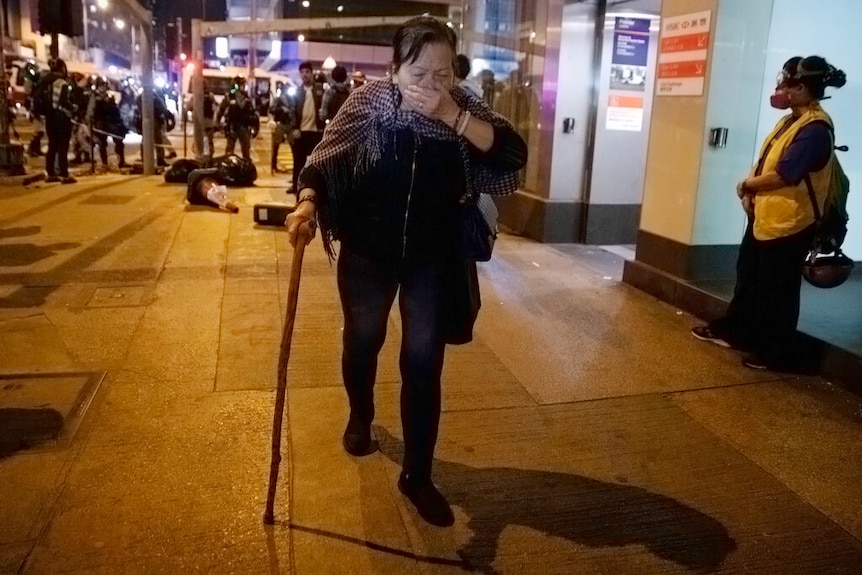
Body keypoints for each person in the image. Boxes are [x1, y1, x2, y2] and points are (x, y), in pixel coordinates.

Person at [285, 16, 527, 527]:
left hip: (432, 257)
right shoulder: (368, 102)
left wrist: (452, 115)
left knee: (423, 362)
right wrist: (308, 204)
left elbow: (511, 156)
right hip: (369, 251)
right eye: (419, 73)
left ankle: (418, 474)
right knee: (363, 339)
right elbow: (322, 160)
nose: (431, 85)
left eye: (443, 74)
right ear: (394, 69)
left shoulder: (464, 109)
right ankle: (361, 415)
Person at [691, 55, 846, 372]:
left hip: (790, 224)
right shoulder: (792, 120)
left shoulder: (815, 129)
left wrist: (746, 184)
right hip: (766, 220)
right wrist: (751, 194)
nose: (780, 89)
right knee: (750, 280)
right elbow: (769, 162)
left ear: (802, 87)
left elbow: (785, 174)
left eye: (786, 84)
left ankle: (776, 352)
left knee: (777, 291)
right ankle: (739, 333)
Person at [286, 61, 324, 194]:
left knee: (317, 161)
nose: (305, 75)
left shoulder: (319, 90)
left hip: (316, 132)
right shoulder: (297, 91)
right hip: (301, 132)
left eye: (307, 72)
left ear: (312, 73)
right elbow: (292, 111)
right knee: (298, 161)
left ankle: (315, 188)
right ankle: (296, 185)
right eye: (302, 72)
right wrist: (294, 128)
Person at [36, 58, 76, 184]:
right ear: (62, 68)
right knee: (63, 147)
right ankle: (64, 174)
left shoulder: (44, 81)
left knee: (52, 145)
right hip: (62, 118)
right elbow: (63, 102)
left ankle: (51, 173)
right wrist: (73, 108)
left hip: (49, 117)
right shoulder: (61, 82)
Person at [86, 76, 127, 170]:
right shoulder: (95, 98)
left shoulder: (108, 97)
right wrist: (90, 123)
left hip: (111, 123)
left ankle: (121, 161)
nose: (104, 87)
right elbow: (90, 111)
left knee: (119, 141)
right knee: (102, 144)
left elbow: (115, 110)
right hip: (100, 123)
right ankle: (104, 163)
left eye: (104, 85)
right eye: (101, 85)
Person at [216, 76, 259, 160]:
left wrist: (255, 127)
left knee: (246, 150)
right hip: (232, 126)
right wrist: (218, 122)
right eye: (243, 85)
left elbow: (253, 114)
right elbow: (221, 109)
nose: (244, 87)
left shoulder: (247, 98)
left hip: (244, 126)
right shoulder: (230, 96)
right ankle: (228, 166)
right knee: (229, 150)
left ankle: (246, 167)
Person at [269, 82, 292, 173]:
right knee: (275, 146)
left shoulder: (292, 99)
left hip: (289, 124)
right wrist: (281, 109)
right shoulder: (278, 99)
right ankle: (273, 165)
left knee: (294, 146)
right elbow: (272, 110)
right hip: (280, 123)